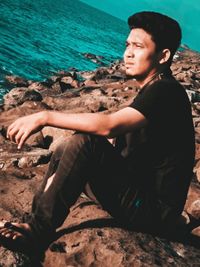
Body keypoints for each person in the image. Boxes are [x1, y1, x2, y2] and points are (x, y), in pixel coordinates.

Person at [0, 11, 195, 260]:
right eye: (127, 45)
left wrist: (45, 116)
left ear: (163, 55)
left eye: (138, 46)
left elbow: (109, 126)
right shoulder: (154, 89)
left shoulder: (166, 92)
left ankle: (36, 232)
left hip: (153, 212)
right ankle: (33, 220)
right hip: (138, 197)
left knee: (85, 143)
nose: (128, 53)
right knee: (69, 145)